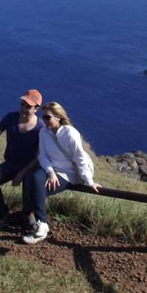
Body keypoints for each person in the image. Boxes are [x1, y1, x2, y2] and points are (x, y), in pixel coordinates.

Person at [22, 102, 101, 244]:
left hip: (68, 173)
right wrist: (51, 172)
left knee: (36, 188)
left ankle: (36, 221)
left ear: (58, 117)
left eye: (47, 117)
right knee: (33, 177)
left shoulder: (70, 133)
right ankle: (41, 223)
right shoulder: (44, 132)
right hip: (51, 169)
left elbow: (80, 158)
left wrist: (89, 181)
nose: (44, 121)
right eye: (43, 117)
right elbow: (43, 156)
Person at [0, 89, 44, 232]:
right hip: (10, 164)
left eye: (28, 106)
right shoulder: (11, 117)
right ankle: (3, 216)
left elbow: (38, 156)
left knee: (30, 183)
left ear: (36, 109)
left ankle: (28, 215)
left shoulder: (41, 128)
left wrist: (22, 173)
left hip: (29, 167)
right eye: (22, 104)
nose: (23, 108)